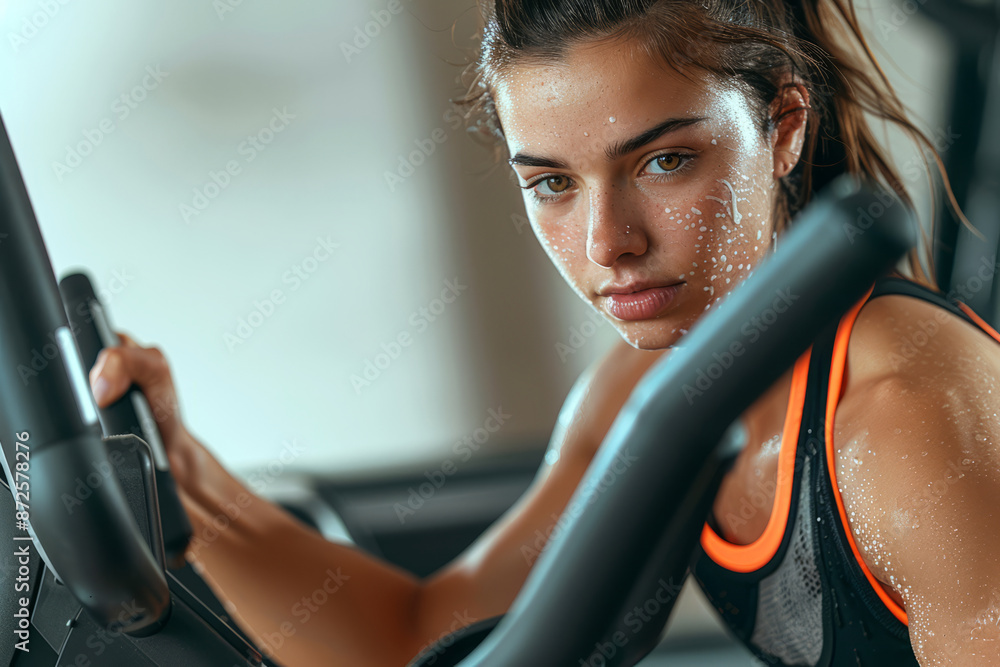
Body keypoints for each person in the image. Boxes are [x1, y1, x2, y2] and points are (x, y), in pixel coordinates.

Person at [88, 1, 1000, 665]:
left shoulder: (909, 423)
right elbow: (418, 641)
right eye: (552, 183)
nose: (609, 242)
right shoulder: (651, 397)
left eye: (665, 160)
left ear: (784, 125)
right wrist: (183, 478)